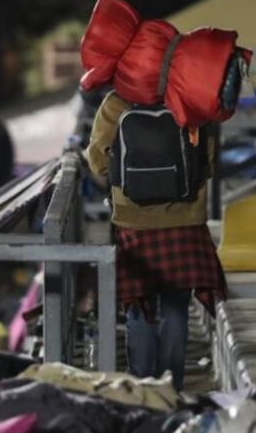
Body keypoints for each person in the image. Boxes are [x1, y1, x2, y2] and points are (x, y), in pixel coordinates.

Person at [84, 91, 225, 391]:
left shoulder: (116, 102)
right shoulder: (191, 96)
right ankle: (171, 387)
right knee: (176, 308)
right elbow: (209, 162)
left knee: (139, 306)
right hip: (185, 219)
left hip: (134, 222)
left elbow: (98, 163)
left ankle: (142, 387)